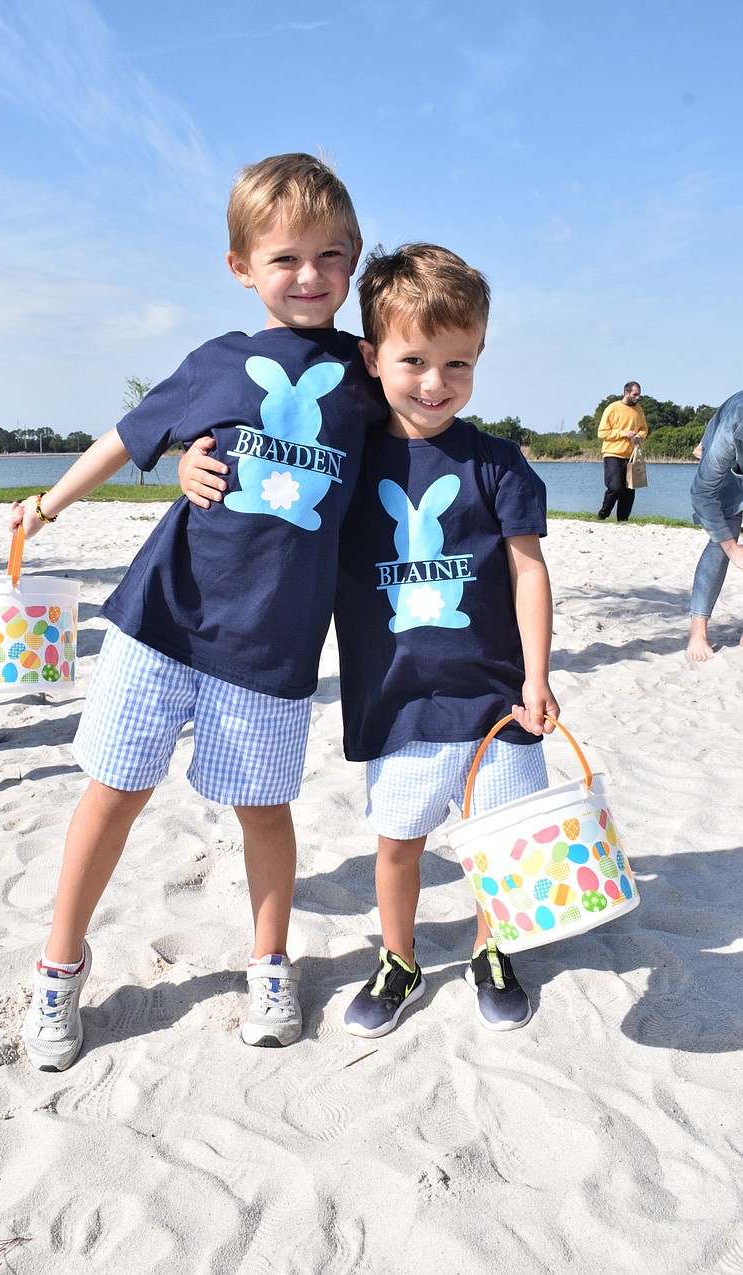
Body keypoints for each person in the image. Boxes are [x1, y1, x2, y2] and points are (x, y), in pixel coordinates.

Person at [14, 153, 387, 1070]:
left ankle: (269, 961)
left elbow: (433, 419)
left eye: (332, 257)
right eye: (286, 258)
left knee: (263, 805)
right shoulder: (213, 363)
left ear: (355, 261)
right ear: (241, 267)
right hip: (165, 619)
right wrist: (50, 503)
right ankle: (60, 962)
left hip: (274, 638)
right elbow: (123, 438)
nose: (310, 277)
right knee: (116, 790)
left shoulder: (368, 376)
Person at [182, 244, 560, 1037]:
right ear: (372, 356)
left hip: (495, 696)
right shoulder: (347, 461)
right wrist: (191, 462)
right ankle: (400, 958)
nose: (435, 382)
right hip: (399, 699)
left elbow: (529, 571)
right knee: (400, 844)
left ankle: (495, 949)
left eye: (458, 363)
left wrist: (537, 675)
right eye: (414, 359)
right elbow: (265, 480)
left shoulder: (497, 464)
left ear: (480, 357)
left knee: (498, 843)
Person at [686, 391, 743, 661]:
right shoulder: (733, 427)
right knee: (722, 539)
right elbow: (701, 493)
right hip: (726, 464)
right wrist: (732, 548)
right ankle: (698, 632)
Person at [596, 381, 648, 522]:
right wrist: (623, 433)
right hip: (613, 454)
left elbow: (644, 428)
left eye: (639, 395)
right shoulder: (612, 408)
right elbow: (602, 433)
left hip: (631, 456)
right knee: (615, 487)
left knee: (629, 490)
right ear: (626, 393)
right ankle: (603, 514)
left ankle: (623, 519)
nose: (637, 397)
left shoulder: (639, 410)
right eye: (635, 394)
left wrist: (640, 436)